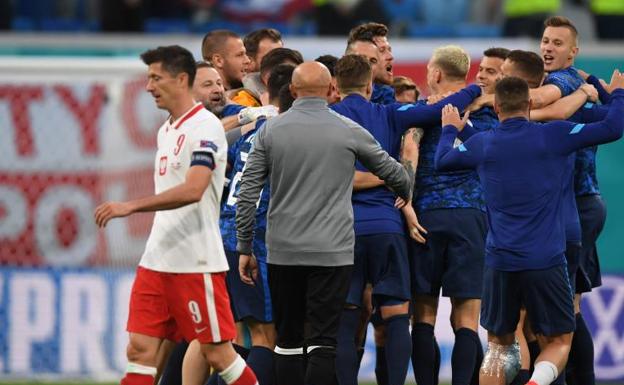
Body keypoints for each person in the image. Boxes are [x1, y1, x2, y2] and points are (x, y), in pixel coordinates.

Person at [434, 74, 624, 385]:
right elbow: (613, 128)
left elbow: (442, 161)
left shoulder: (483, 143)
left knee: (498, 347)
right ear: (530, 103)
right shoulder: (555, 135)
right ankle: (536, 382)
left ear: (496, 107)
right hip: (546, 260)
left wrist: (448, 130)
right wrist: (617, 95)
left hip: (499, 263)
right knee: (560, 341)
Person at [235, 61, 412, 385]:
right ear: (331, 90)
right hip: (333, 253)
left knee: (287, 342)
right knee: (322, 341)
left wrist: (245, 246)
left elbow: (247, 193)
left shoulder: (271, 131)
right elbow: (397, 175)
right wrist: (403, 185)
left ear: (292, 90)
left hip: (284, 252)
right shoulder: (347, 129)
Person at [94, 45, 257, 385]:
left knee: (218, 353)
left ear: (181, 79)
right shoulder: (167, 130)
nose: (149, 86)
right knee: (139, 351)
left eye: (156, 77)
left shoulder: (205, 128)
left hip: (195, 262)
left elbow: (194, 189)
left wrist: (131, 206)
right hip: (157, 259)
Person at [330, 54, 482, 385]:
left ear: (334, 86)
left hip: (342, 230)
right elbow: (437, 110)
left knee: (346, 318)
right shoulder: (389, 113)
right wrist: (474, 90)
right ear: (370, 85)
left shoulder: (328, 117)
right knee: (398, 316)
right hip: (387, 227)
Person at [348, 22, 395, 105]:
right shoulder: (332, 95)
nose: (390, 56)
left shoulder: (388, 96)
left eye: (389, 50)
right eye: (382, 51)